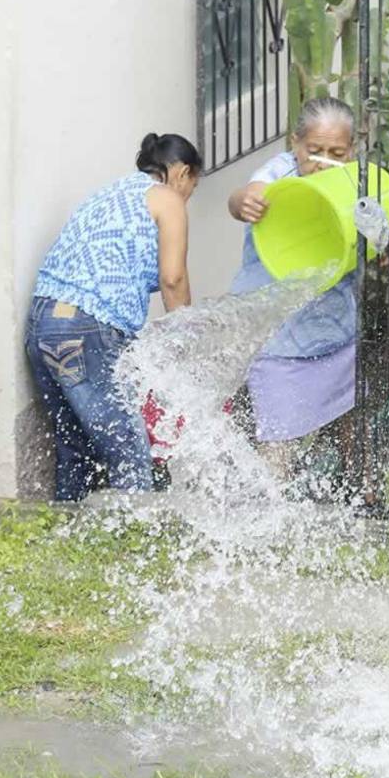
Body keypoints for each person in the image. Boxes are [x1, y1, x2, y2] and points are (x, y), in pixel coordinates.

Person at [26, 132, 201, 502]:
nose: (186, 198)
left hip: (44, 322)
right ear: (182, 173)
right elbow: (173, 278)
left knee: (75, 444)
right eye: (191, 187)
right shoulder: (167, 199)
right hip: (89, 329)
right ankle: (137, 538)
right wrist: (187, 338)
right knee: (129, 447)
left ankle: (65, 531)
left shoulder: (108, 193)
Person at [227, 97, 358, 479]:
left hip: (331, 329)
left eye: (336, 152)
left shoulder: (352, 179)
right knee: (277, 434)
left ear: (351, 151)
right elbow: (241, 198)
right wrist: (243, 202)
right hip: (276, 334)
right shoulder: (279, 174)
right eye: (313, 150)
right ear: (295, 143)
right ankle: (271, 515)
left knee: (341, 419)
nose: (322, 162)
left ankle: (351, 493)